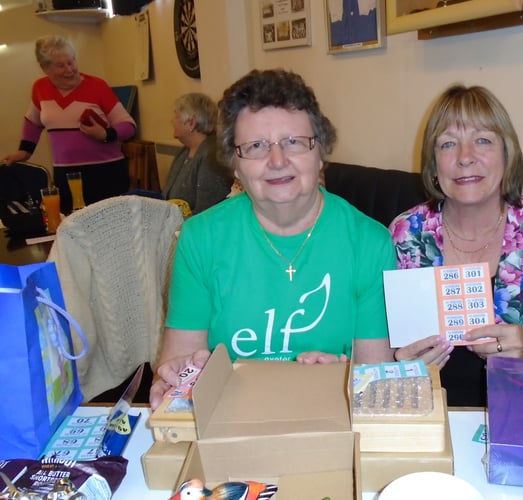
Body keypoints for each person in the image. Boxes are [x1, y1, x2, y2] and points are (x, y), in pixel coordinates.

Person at [149, 69, 396, 409]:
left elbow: (376, 382)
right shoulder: (200, 238)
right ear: (235, 165)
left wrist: (345, 381)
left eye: (293, 142)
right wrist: (174, 382)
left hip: (329, 420)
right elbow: (177, 373)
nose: (277, 161)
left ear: (320, 152)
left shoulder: (370, 242)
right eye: (256, 147)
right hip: (231, 422)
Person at [390, 84, 523, 407]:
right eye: (448, 144)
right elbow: (370, 350)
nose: (465, 158)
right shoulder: (405, 235)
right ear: (433, 165)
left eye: (482, 140)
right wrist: (399, 365)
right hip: (430, 420)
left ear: (507, 155)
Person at [3, 35, 136, 214]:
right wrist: (24, 152)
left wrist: (105, 135)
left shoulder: (97, 86)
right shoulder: (40, 88)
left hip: (106, 173)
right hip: (66, 176)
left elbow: (128, 125)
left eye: (71, 62)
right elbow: (33, 122)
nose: (69, 69)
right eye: (60, 65)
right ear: (45, 68)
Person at [162, 93, 233, 214]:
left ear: (191, 123)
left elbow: (207, 211)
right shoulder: (184, 151)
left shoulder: (211, 156)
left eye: (176, 117)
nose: (172, 121)